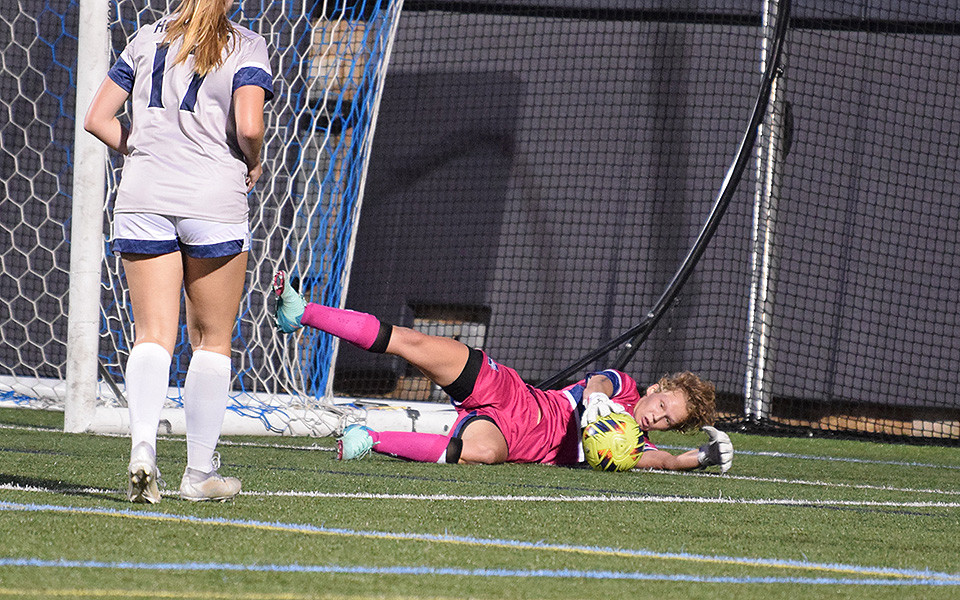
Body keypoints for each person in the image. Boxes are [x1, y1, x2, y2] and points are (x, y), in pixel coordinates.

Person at [83, 0, 274, 503]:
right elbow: (250, 126)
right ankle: (198, 475)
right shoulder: (247, 45)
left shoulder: (147, 37)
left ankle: (142, 450)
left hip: (142, 195)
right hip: (212, 200)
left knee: (152, 335)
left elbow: (97, 118)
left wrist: (144, 149)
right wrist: (253, 162)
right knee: (212, 340)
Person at [272, 271, 734, 472]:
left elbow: (670, 461)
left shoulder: (632, 449)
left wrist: (706, 457)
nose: (656, 416)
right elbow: (599, 381)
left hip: (510, 436)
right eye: (662, 405)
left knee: (484, 455)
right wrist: (597, 406)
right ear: (658, 388)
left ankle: (369, 439)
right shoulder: (626, 391)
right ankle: (303, 312)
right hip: (512, 391)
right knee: (411, 343)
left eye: (668, 420)